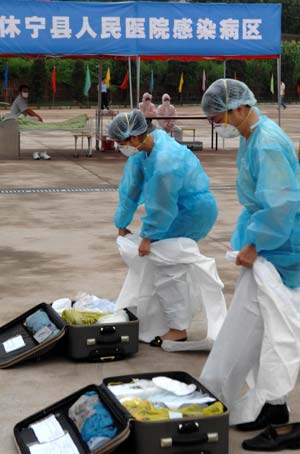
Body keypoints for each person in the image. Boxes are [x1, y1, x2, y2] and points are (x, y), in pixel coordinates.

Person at [199, 79, 300, 448]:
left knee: (281, 333)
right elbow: (262, 199)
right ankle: (271, 405)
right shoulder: (252, 137)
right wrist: (250, 241)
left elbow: (280, 205)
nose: (220, 124)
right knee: (254, 326)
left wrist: (258, 244)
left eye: (220, 117)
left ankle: (282, 421)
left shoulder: (267, 142)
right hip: (271, 244)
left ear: (239, 107)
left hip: (283, 246)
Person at [108, 109, 218, 343]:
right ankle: (166, 316)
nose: (120, 146)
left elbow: (162, 204)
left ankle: (178, 328)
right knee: (164, 263)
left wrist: (148, 236)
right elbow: (131, 189)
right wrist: (122, 221)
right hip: (176, 211)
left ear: (134, 137)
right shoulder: (142, 151)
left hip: (192, 212)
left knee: (169, 267)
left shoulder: (165, 159)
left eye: (120, 142)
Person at [8, 84, 50, 160]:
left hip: (19, 119)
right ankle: (38, 151)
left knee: (35, 120)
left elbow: (26, 111)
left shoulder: (23, 99)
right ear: (20, 92)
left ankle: (39, 152)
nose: (26, 93)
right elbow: (27, 110)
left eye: (27, 91)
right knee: (37, 120)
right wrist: (38, 117)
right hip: (16, 120)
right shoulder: (20, 100)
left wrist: (33, 118)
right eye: (24, 91)